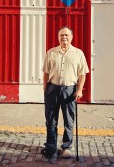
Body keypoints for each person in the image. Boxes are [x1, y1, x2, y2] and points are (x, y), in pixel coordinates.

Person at [41, 26, 89, 163]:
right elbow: (45, 73)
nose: (64, 37)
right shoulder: (51, 53)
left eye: (67, 35)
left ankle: (66, 146)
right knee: (51, 120)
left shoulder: (78, 53)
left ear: (71, 37)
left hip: (69, 90)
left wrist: (79, 90)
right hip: (52, 89)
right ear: (58, 37)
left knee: (69, 120)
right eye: (62, 35)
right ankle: (51, 147)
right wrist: (46, 89)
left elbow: (82, 74)